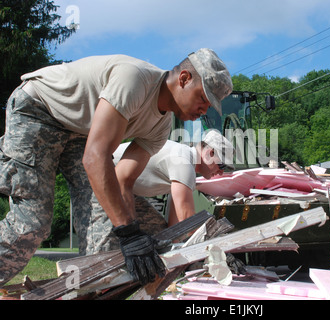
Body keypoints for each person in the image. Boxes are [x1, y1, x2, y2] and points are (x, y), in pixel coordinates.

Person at [0, 48, 233, 286]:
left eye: (210, 106)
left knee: (105, 214)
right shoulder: (135, 79)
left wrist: (133, 234)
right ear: (184, 78)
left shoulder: (160, 128)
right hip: (39, 110)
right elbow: (94, 157)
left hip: (80, 130)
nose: (204, 110)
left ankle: (90, 288)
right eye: (203, 98)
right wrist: (128, 233)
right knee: (33, 223)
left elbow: (123, 180)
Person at [86, 129, 235, 254]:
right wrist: (217, 249)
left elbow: (174, 229)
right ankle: (92, 286)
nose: (221, 172)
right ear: (209, 153)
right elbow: (188, 221)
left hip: (125, 189)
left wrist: (176, 256)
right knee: (103, 247)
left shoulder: (184, 168)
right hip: (104, 180)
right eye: (221, 165)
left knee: (160, 237)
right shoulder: (183, 162)